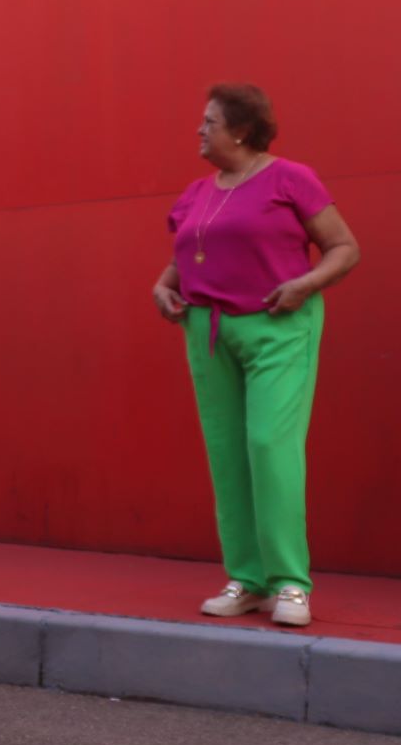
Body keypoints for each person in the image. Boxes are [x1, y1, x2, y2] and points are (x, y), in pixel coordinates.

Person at [152, 83, 360, 626]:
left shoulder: (290, 178)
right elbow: (187, 255)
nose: (199, 130)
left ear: (241, 129)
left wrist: (305, 285)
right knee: (227, 454)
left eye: (209, 121)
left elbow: (345, 248)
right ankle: (247, 578)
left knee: (270, 445)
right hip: (208, 330)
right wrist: (163, 285)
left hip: (279, 324)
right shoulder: (197, 192)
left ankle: (291, 582)